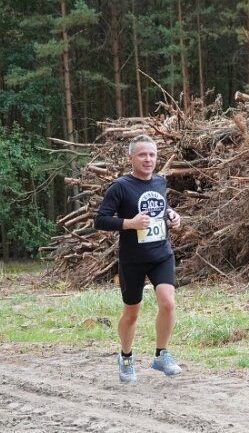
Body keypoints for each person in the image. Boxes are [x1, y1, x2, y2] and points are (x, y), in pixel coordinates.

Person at [94, 134, 183, 383]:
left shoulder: (160, 182)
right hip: (132, 258)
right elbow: (100, 220)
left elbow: (160, 209)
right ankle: (125, 356)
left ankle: (161, 354)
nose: (148, 159)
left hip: (161, 255)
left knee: (168, 303)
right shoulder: (120, 187)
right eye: (143, 154)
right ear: (131, 157)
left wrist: (173, 215)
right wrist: (129, 223)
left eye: (152, 155)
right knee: (132, 312)